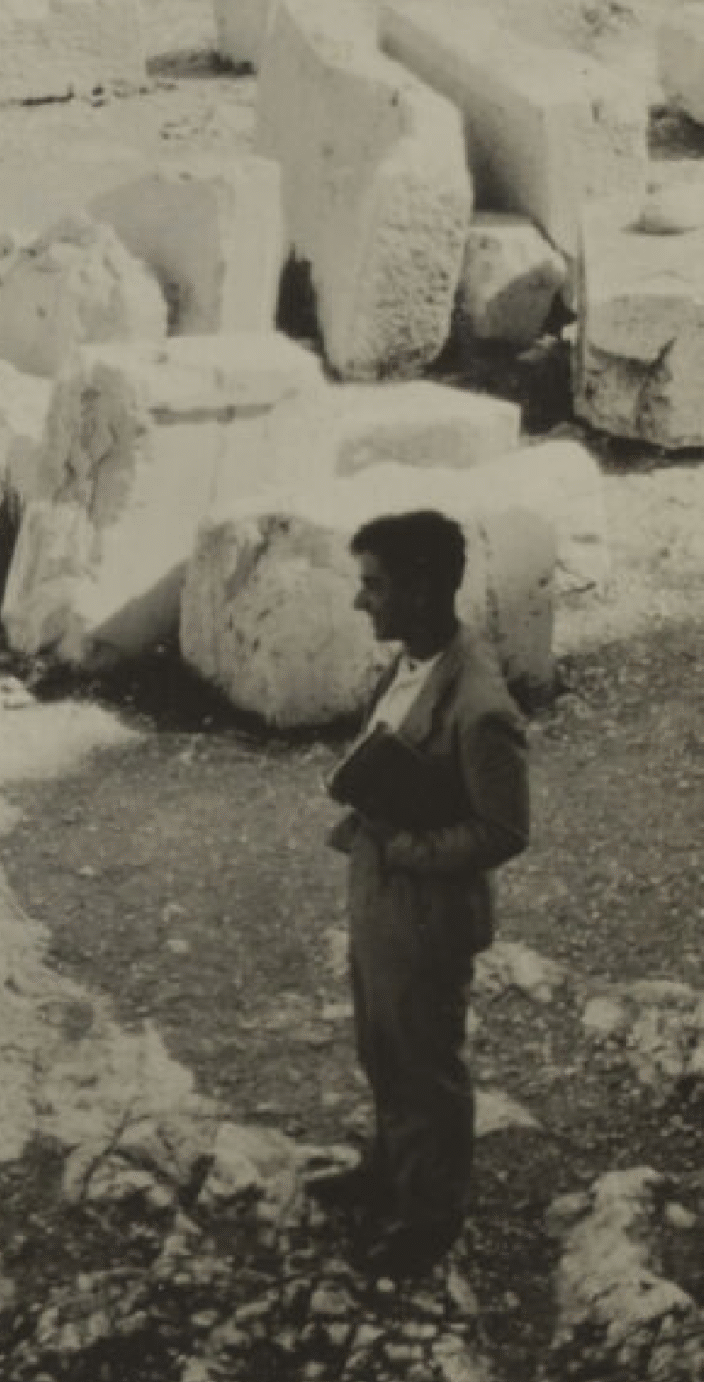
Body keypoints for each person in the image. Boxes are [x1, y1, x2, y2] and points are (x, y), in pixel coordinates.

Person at [312, 510, 529, 1281]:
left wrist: (409, 850)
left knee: (424, 1063)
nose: (360, 602)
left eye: (373, 585)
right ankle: (388, 1172)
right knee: (381, 1044)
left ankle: (427, 1218)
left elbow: (504, 830)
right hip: (381, 893)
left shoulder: (480, 704)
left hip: (429, 911)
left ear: (423, 587)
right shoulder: (410, 661)